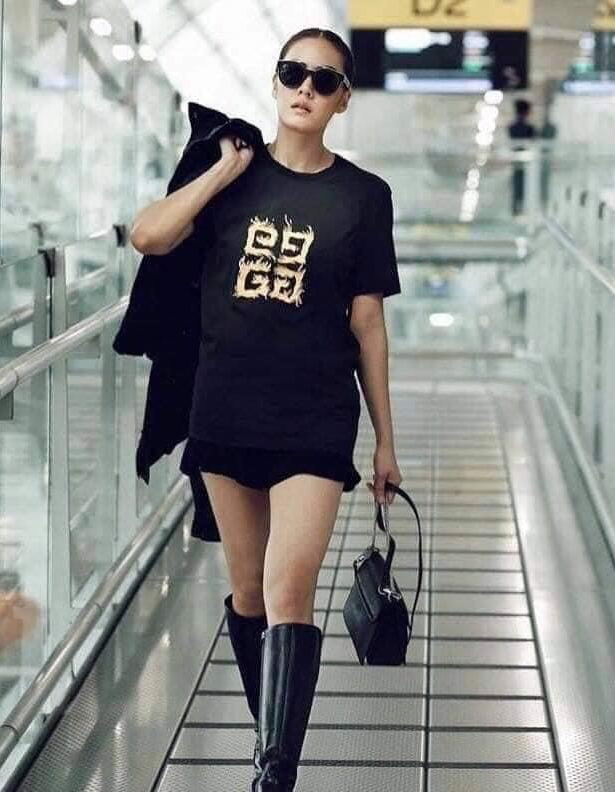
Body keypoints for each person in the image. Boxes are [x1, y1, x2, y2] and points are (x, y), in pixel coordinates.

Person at [129, 27, 403, 792]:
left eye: (325, 79)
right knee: (249, 593)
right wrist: (221, 172)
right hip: (224, 410)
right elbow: (149, 235)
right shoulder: (233, 174)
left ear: (342, 99)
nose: (306, 88)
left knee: (289, 590)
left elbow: (369, 324)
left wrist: (385, 439)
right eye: (293, 73)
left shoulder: (364, 197)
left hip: (315, 417)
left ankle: (273, 776)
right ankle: (269, 746)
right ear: (277, 81)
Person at [507, 98, 537, 216]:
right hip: (524, 161)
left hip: (517, 161)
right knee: (522, 184)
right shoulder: (529, 128)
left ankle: (516, 209)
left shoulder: (512, 127)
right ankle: (519, 209)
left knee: (517, 184)